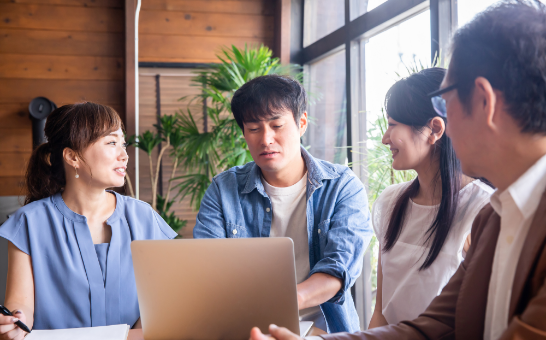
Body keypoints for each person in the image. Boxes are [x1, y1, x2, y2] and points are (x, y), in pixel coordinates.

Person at [248, 1, 546, 339]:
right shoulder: (494, 218)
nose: (444, 122)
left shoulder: (486, 210)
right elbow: (432, 327)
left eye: (444, 100)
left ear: (483, 101)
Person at [193, 74, 372, 333]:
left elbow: (338, 270)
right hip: (245, 328)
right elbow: (207, 267)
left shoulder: (342, 186)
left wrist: (280, 303)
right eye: (254, 129)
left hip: (324, 331)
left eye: (276, 125)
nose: (265, 139)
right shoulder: (223, 189)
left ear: (301, 123)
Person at [0, 103, 177, 340]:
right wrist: (14, 324)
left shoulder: (144, 218)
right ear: (72, 156)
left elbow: (159, 306)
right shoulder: (29, 223)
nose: (124, 154)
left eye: (123, 144)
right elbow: (21, 307)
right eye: (112, 143)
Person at [368, 68, 493, 328]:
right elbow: (380, 312)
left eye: (392, 125)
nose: (384, 138)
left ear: (434, 129)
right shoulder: (391, 202)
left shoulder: (484, 209)